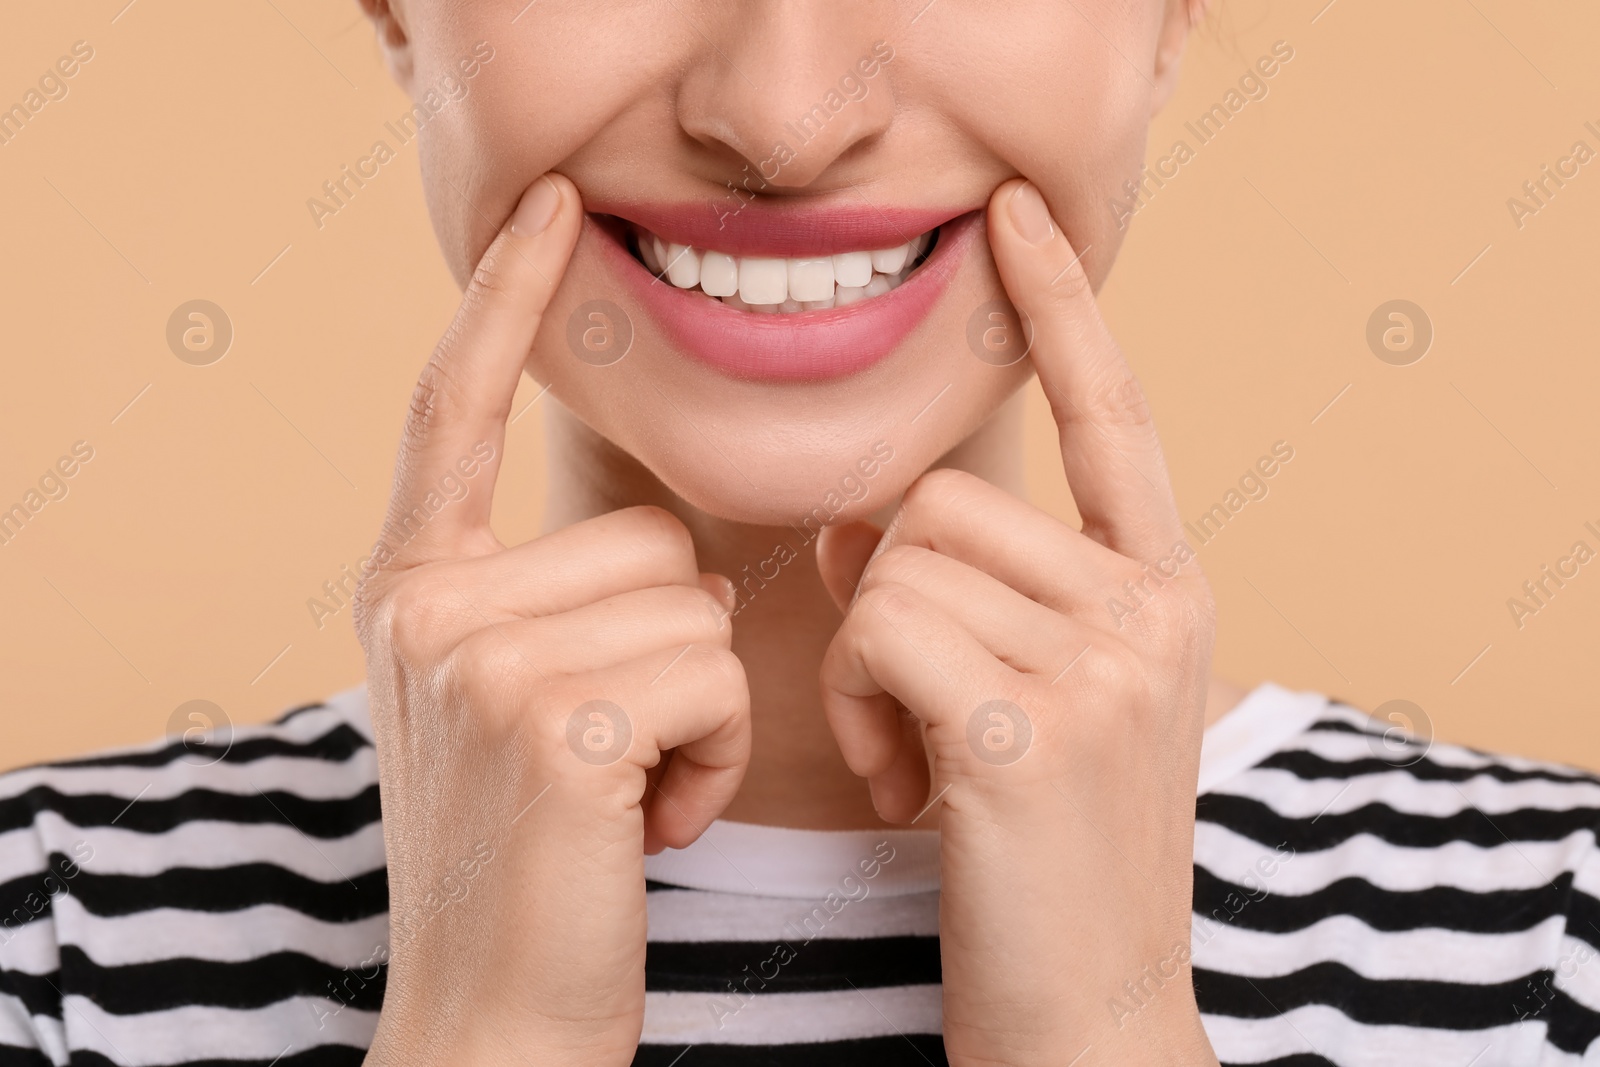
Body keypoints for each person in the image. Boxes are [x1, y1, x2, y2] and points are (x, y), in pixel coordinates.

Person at [3, 1, 1599, 1064]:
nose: (780, 121)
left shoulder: (1556, 941)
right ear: (396, 10)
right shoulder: (46, 934)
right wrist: (482, 1033)